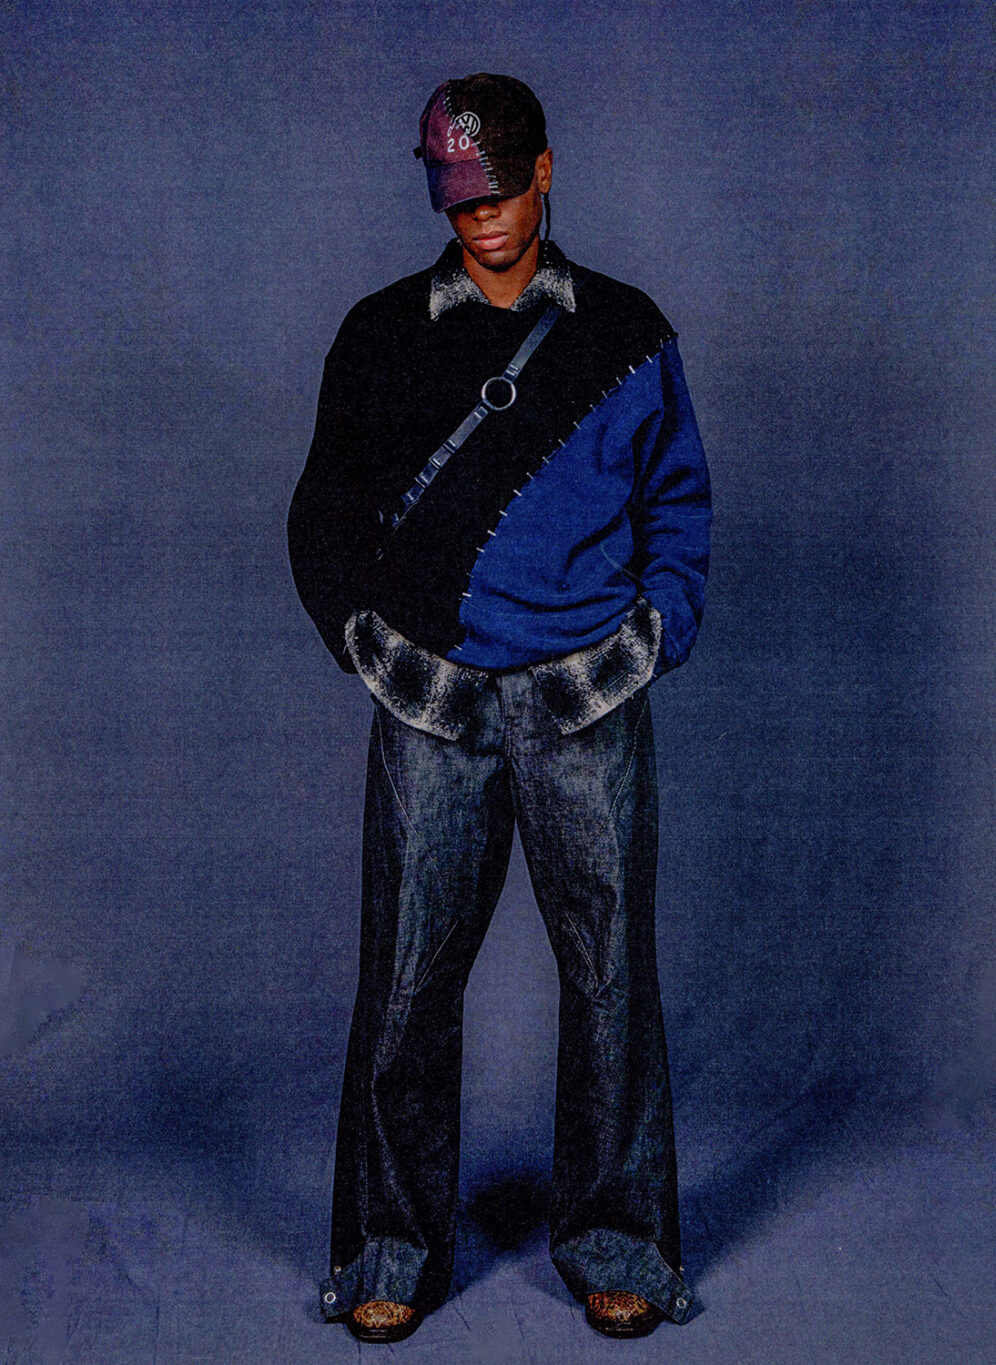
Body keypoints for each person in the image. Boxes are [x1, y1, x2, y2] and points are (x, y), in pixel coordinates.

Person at [287, 72, 712, 1344]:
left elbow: (677, 505)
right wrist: (369, 648)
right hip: (432, 703)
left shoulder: (627, 332)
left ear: (545, 172)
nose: (477, 216)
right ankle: (388, 1246)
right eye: (454, 195)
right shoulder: (378, 333)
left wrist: (653, 635)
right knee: (405, 985)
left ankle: (618, 1239)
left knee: (611, 978)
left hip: (588, 699)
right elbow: (323, 511)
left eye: (497, 190)